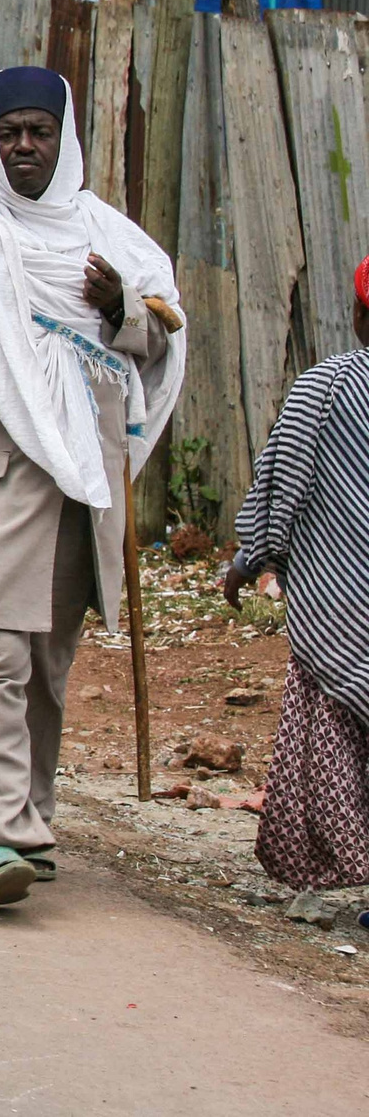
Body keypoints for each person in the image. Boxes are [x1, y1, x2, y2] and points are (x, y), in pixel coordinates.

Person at [0, 66, 184, 910]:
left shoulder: (115, 244)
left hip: (77, 496)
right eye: (9, 131)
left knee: (49, 666)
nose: (23, 146)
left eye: (38, 131)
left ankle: (32, 819)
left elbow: (162, 342)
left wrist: (121, 307)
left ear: (64, 136)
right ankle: (4, 836)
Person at [221, 254, 369, 892]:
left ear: (359, 314)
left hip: (340, 612)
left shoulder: (326, 387)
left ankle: (355, 869)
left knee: (333, 735)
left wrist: (249, 559)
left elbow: (280, 487)